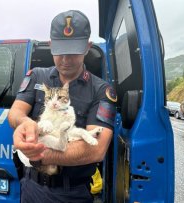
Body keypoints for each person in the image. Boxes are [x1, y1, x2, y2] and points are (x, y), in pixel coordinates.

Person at [8, 10, 117, 202]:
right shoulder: (36, 76)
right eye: (59, 52)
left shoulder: (101, 90)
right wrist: (25, 123)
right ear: (50, 46)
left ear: (87, 47)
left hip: (71, 194)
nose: (65, 60)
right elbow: (16, 112)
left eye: (73, 52)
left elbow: (97, 149)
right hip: (31, 188)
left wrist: (39, 155)